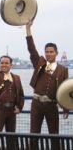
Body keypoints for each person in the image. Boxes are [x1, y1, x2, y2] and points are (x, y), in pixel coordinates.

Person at [25, 21, 69, 149]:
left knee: (54, 134)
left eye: (51, 51)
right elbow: (31, 48)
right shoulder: (40, 63)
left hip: (51, 105)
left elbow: (64, 90)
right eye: (47, 51)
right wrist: (28, 29)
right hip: (36, 104)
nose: (49, 54)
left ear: (56, 53)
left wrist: (66, 108)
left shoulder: (62, 70)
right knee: (34, 134)